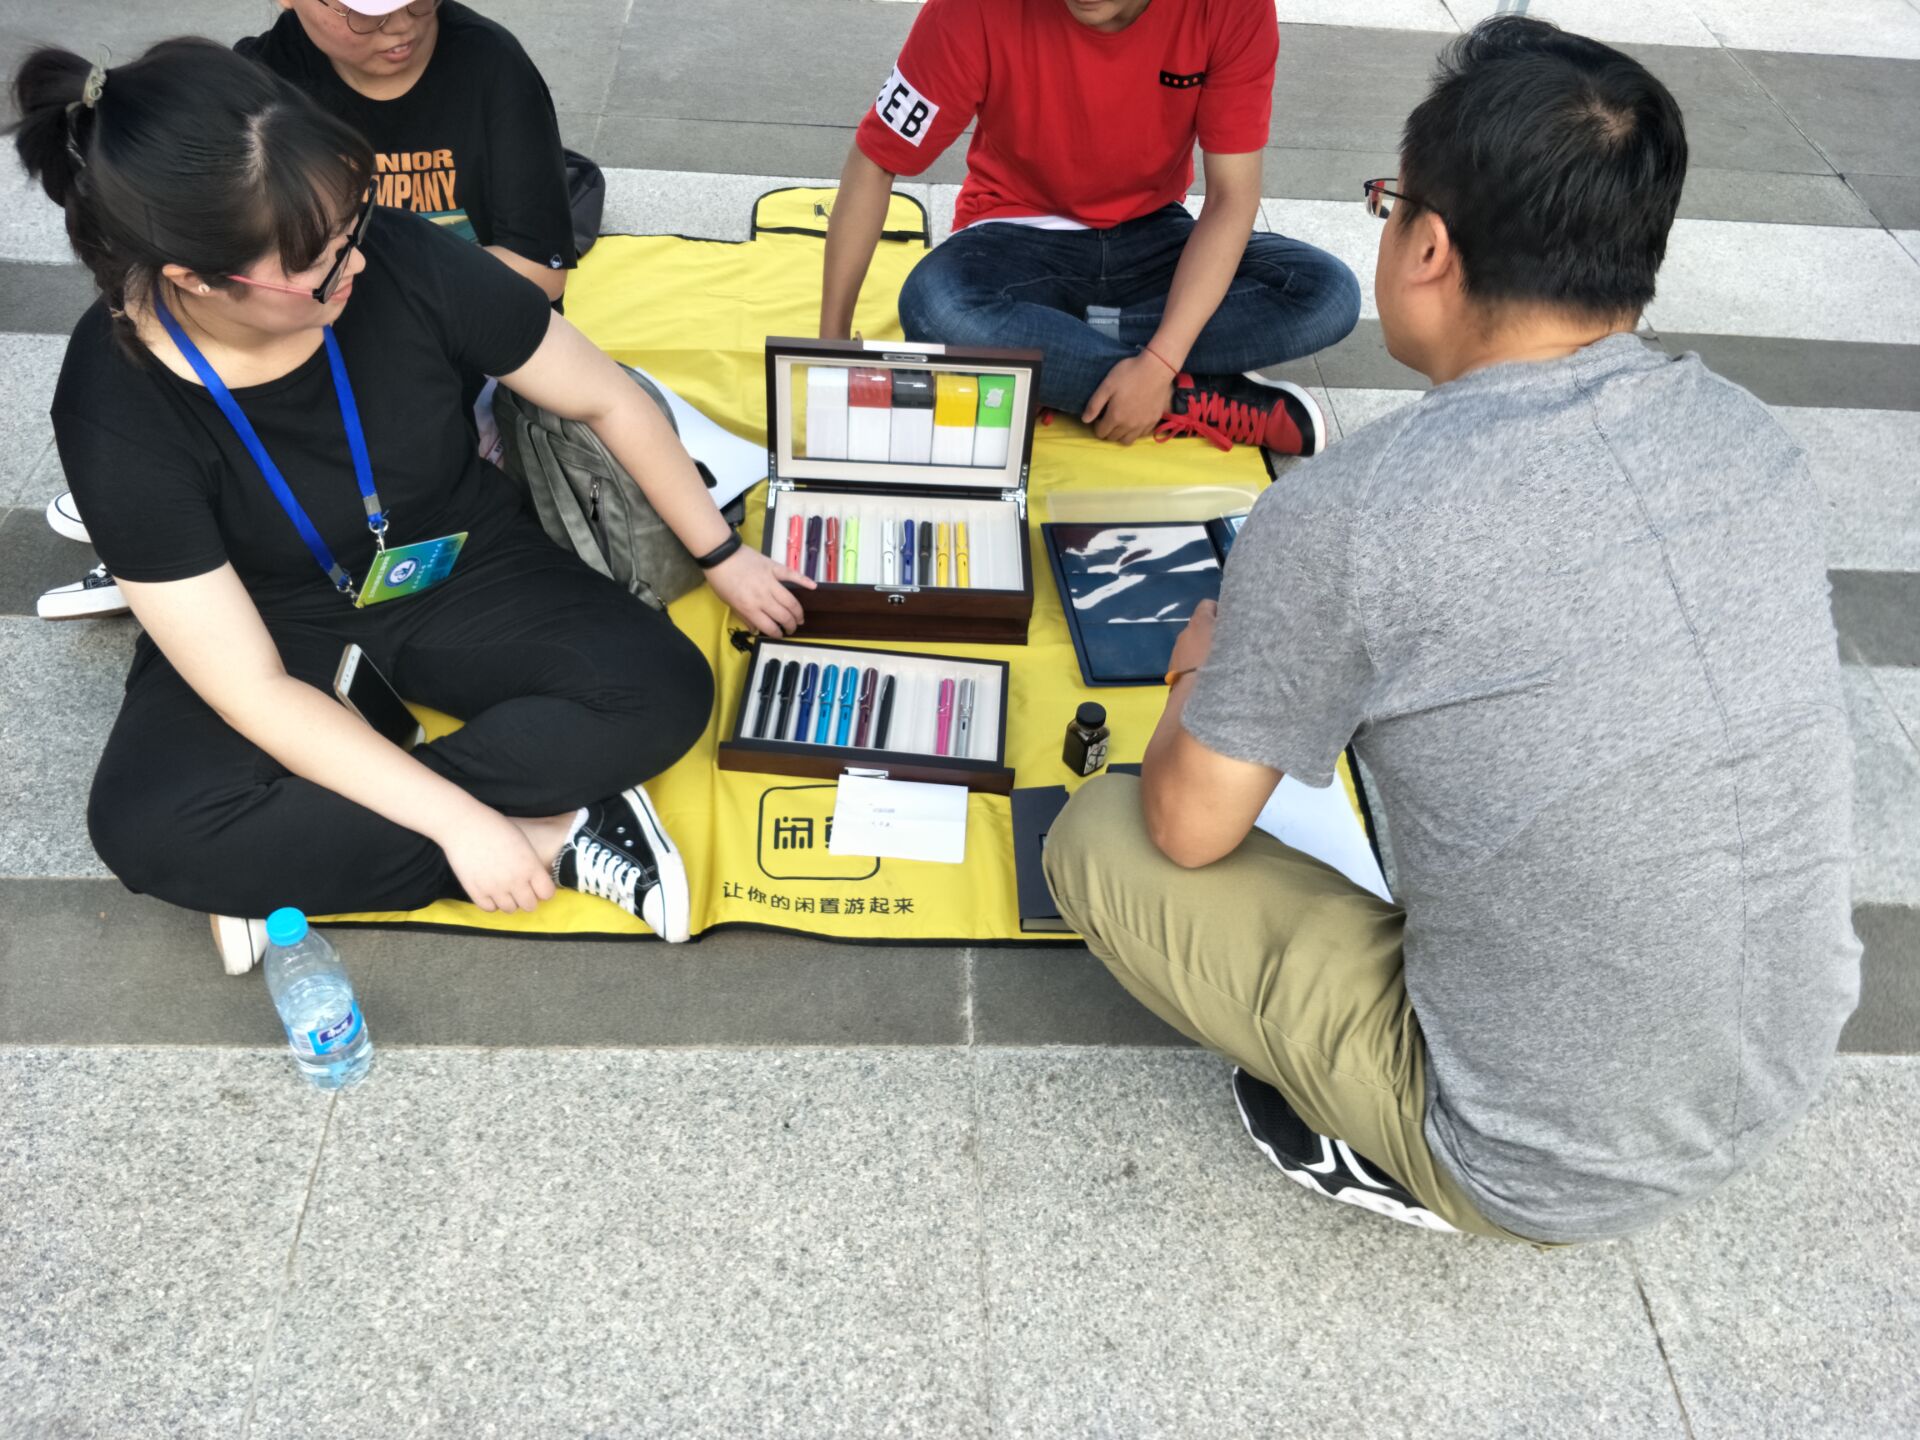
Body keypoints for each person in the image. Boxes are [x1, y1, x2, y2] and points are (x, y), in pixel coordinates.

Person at [1042, 17, 1860, 1244]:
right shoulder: (1752, 437)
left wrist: (1198, 674)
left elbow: (1186, 827)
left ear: (1427, 245)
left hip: (1532, 1157)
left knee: (1102, 836)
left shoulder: (1353, 512)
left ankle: (1388, 1152)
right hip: (1781, 1070)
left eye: (1389, 207)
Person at [14, 40, 810, 970]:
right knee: (150, 828)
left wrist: (722, 554)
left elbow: (605, 397)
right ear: (196, 277)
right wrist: (466, 826)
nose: (353, 263)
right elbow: (251, 686)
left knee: (661, 690)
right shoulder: (115, 401)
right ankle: (555, 835)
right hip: (271, 615)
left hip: (457, 558)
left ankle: (293, 852)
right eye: (317, 265)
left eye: (352, 226)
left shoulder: (391, 255)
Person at [41, 0, 579, 620]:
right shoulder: (256, 87)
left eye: (417, 0)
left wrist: (411, 280)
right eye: (363, 12)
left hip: (442, 346)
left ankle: (193, 540)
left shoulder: (488, 64)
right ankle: (169, 541)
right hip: (306, 338)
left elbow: (542, 269)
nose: (400, 23)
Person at [820, 0, 1360, 458]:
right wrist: (831, 342)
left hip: (1154, 236)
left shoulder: (1231, 8)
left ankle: (1055, 359)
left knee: (1326, 294)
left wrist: (1160, 362)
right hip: (1013, 237)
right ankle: (1188, 399)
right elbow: (876, 158)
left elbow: (1231, 200)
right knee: (937, 311)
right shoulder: (970, 8)